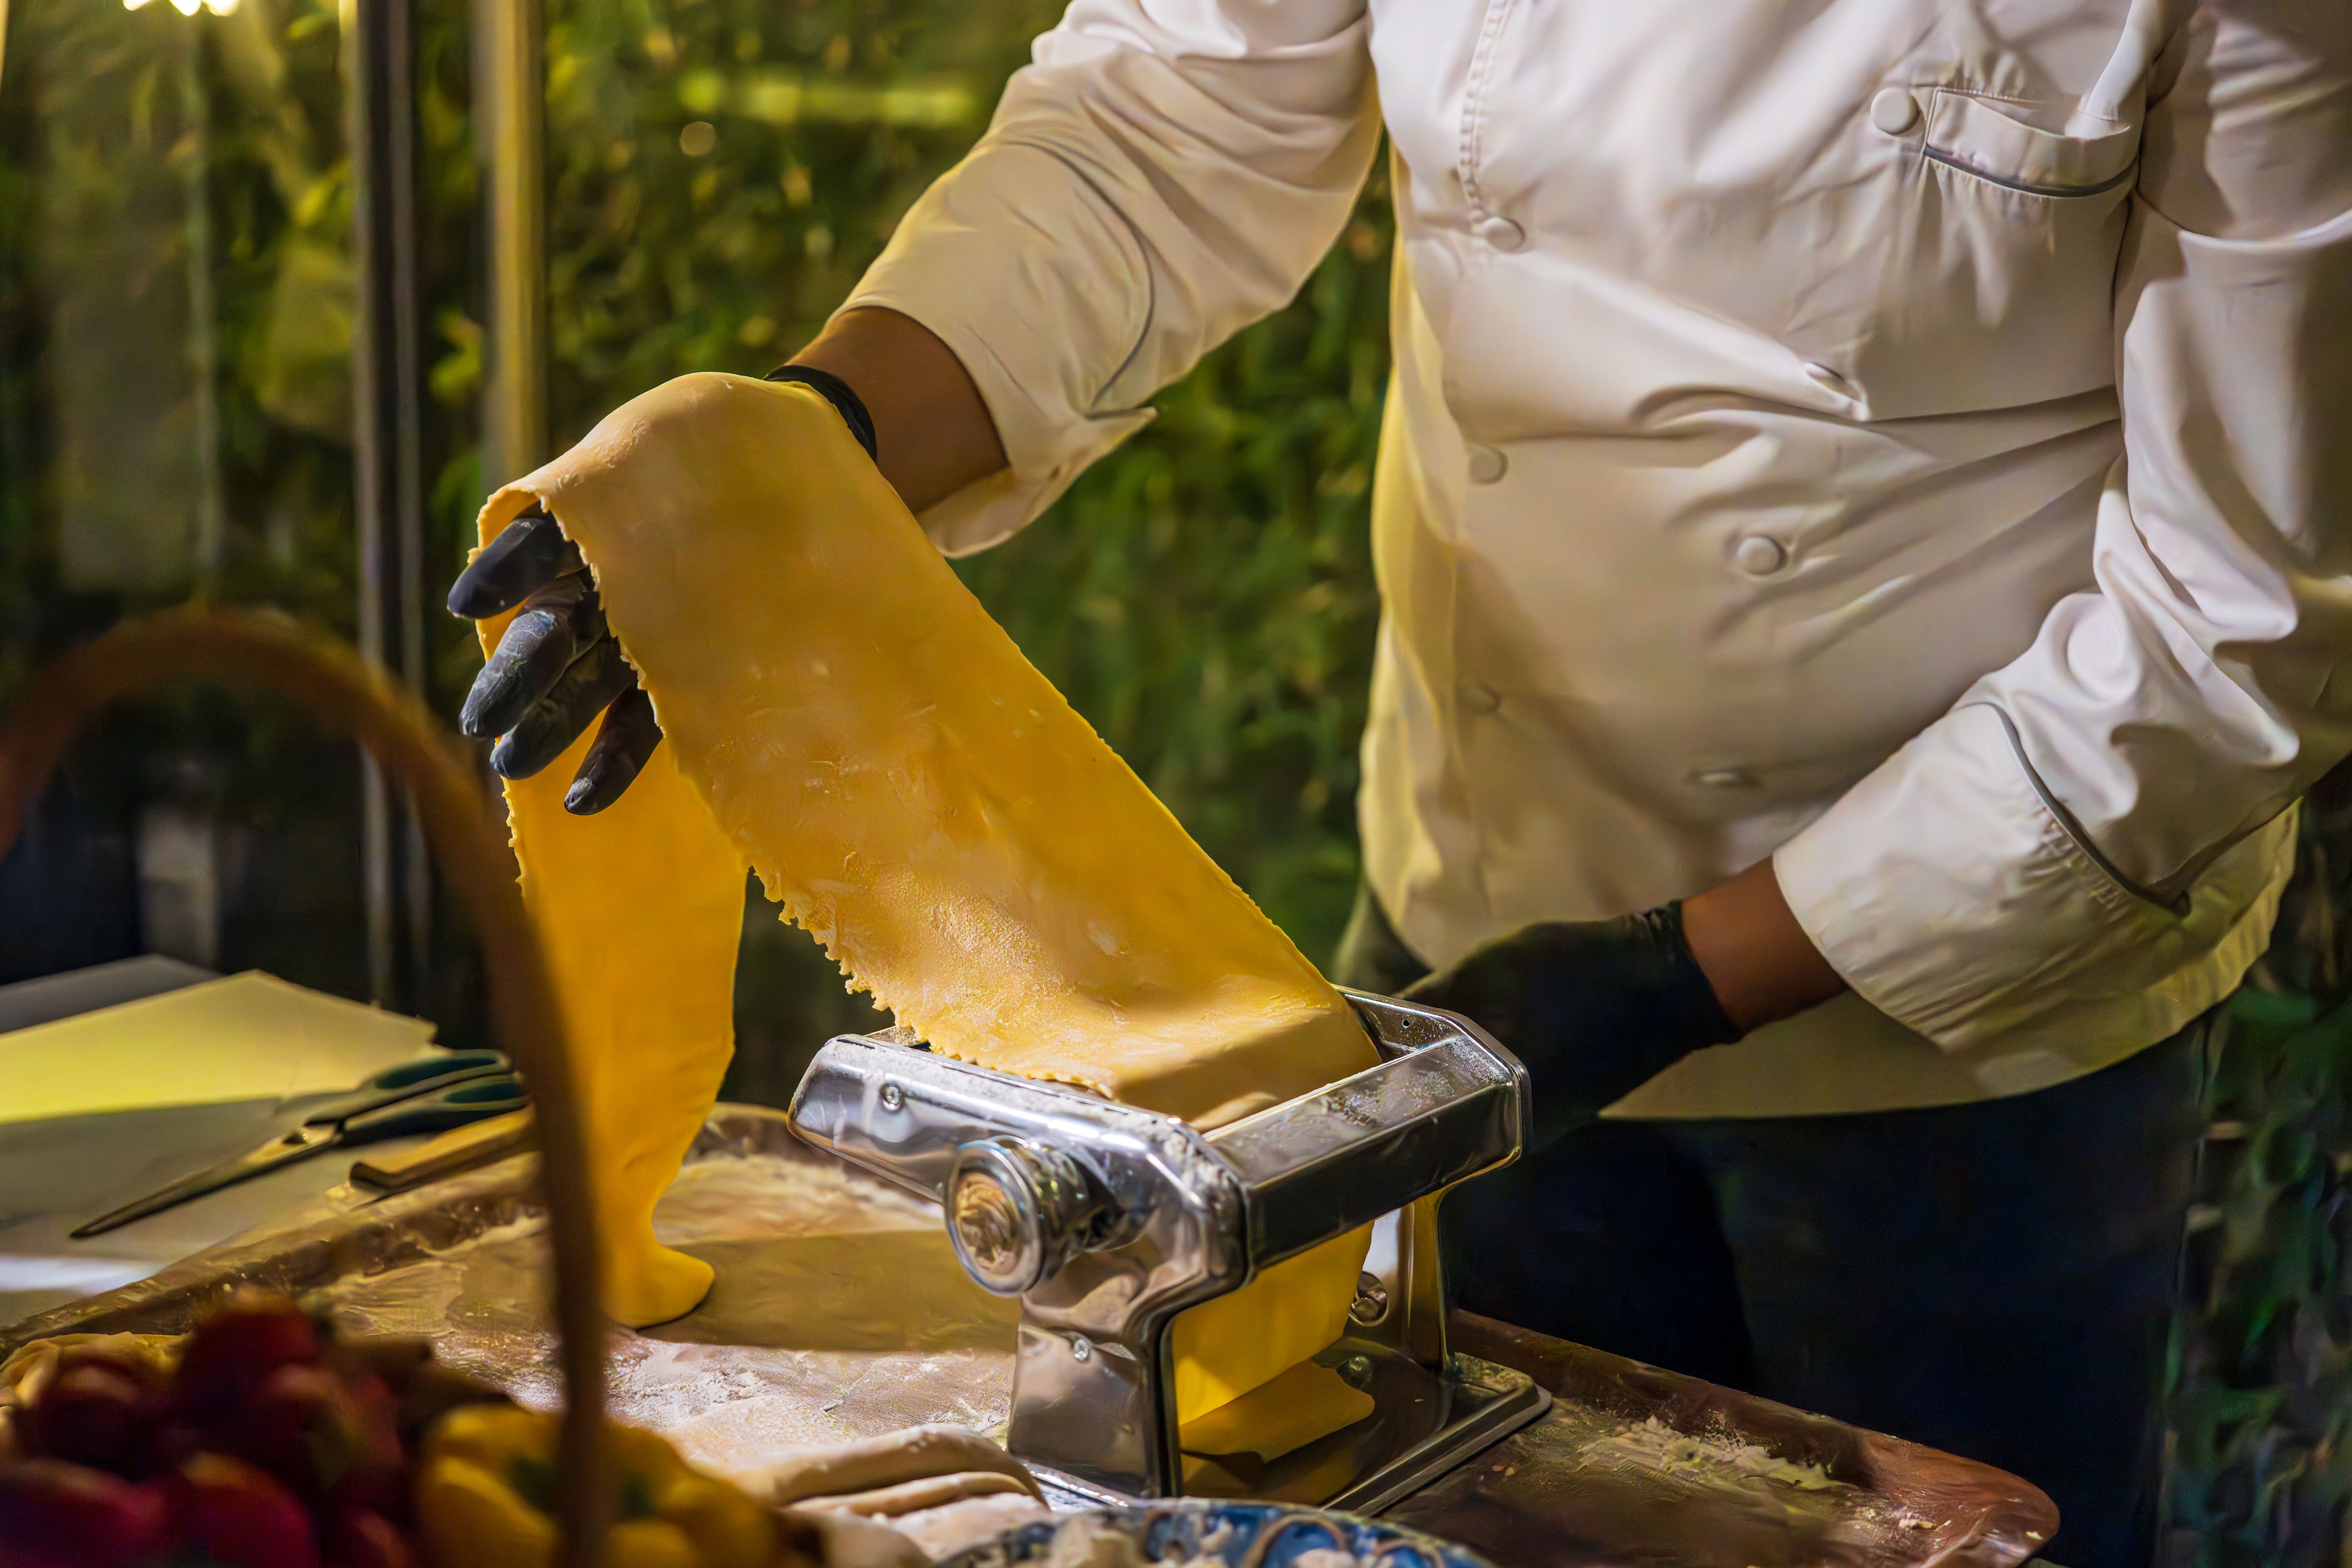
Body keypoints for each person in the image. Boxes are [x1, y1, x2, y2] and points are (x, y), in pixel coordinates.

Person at [450, 0, 2351, 1559]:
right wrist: (803, 467)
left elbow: (2237, 623)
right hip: (1477, 920)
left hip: (1955, 1025)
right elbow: (1165, 130)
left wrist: (1685, 975)